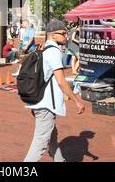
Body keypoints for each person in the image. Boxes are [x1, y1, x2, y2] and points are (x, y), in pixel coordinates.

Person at [24, 20, 85, 162]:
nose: (66, 36)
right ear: (52, 35)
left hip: (39, 102)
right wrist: (76, 100)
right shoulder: (53, 52)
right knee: (39, 144)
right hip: (46, 105)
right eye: (63, 33)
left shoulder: (45, 49)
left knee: (52, 136)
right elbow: (61, 81)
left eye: (66, 33)